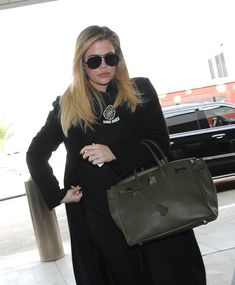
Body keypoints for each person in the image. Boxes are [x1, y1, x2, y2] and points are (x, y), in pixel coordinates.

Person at [26, 25, 206, 285]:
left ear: (118, 58)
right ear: (82, 64)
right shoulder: (68, 106)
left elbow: (160, 143)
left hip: (154, 205)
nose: (104, 66)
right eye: (94, 60)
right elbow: (36, 153)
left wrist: (114, 153)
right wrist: (57, 193)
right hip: (102, 216)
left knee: (169, 273)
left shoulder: (140, 91)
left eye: (111, 58)